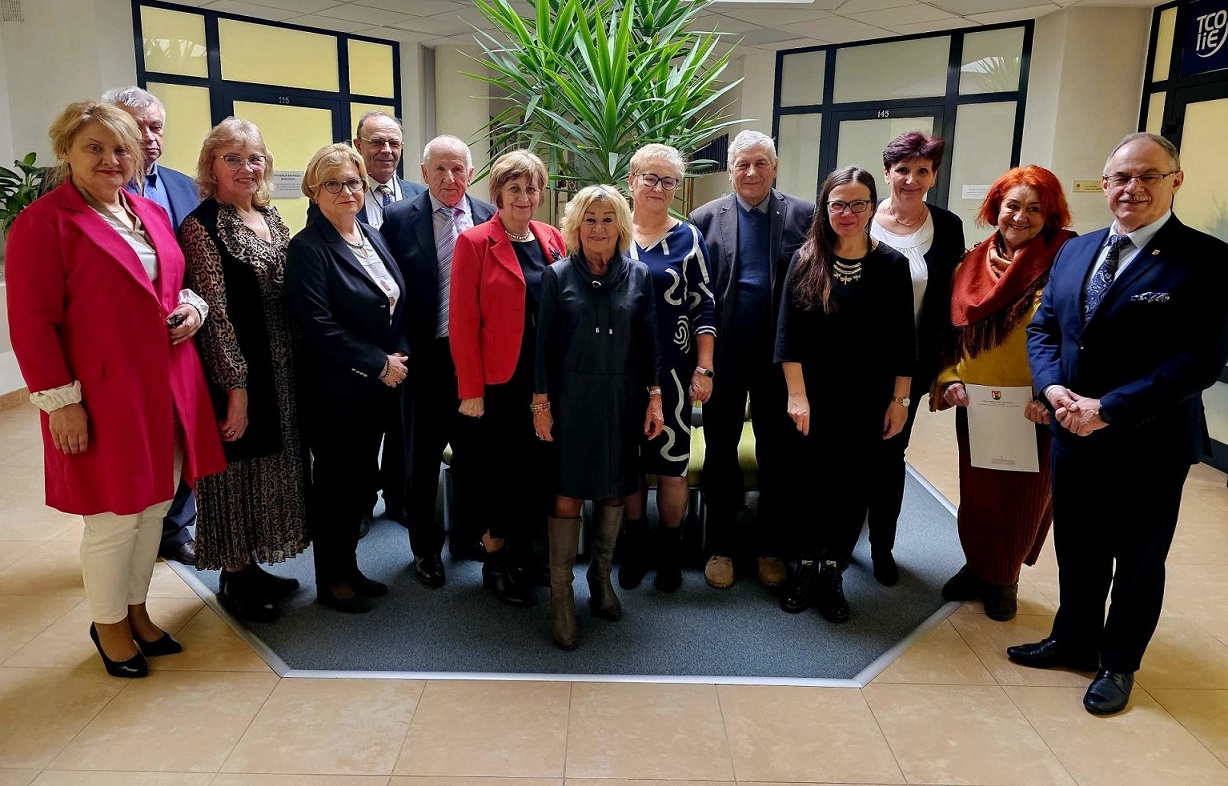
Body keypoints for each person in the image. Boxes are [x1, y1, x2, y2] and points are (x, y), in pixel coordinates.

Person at [1009, 132, 1228, 715]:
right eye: (1121, 177)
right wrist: (1052, 388)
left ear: (1176, 181)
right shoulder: (1076, 250)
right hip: (1071, 432)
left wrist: (1106, 409)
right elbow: (1045, 330)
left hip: (1148, 440)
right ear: (1105, 185)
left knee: (1137, 559)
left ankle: (1119, 662)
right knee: (1078, 546)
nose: (1133, 187)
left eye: (1148, 175)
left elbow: (1198, 361)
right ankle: (1074, 639)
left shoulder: (1206, 259)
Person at [5, 100, 226, 676]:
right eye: (95, 148)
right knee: (113, 518)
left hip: (168, 384)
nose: (111, 159)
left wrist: (193, 308)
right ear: (66, 151)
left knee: (153, 508)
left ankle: (136, 611)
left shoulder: (146, 211)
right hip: (103, 393)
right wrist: (61, 403)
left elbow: (172, 282)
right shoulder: (45, 222)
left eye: (121, 148)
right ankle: (107, 626)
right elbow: (32, 324)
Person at [180, 118, 309, 623]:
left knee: (271, 472)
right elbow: (214, 315)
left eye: (254, 158)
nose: (246, 167)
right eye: (232, 158)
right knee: (236, 472)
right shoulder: (201, 226)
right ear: (211, 166)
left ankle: (253, 566)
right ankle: (235, 575)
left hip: (283, 367)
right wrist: (236, 388)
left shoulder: (271, 215)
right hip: (237, 370)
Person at [933, 166, 1074, 621]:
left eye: (1034, 208)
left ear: (1050, 214)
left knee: (1021, 501)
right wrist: (950, 378)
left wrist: (1051, 395)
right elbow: (950, 333)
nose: (1020, 216)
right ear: (996, 208)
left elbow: (1074, 337)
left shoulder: (1064, 261)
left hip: (1033, 409)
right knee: (978, 496)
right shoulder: (970, 263)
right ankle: (978, 567)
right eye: (1012, 205)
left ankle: (1004, 578)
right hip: (976, 405)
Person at [775, 166, 915, 623]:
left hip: (867, 398)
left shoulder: (892, 265)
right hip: (811, 398)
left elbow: (903, 341)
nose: (848, 213)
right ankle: (806, 565)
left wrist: (900, 400)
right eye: (838, 204)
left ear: (872, 207)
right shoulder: (805, 259)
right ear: (825, 208)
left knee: (852, 486)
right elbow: (787, 335)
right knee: (807, 483)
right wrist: (797, 395)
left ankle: (834, 568)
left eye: (858, 204)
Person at [533, 185, 663, 649]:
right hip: (571, 402)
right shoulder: (555, 277)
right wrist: (541, 405)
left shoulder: (640, 276)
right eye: (590, 219)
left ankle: (600, 578)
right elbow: (542, 348)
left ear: (621, 226)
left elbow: (650, 344)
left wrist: (654, 398)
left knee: (613, 490)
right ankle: (561, 595)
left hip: (622, 400)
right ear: (575, 225)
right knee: (567, 494)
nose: (599, 228)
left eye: (608, 219)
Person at [688, 130, 815, 590]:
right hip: (724, 356)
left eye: (761, 162)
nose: (752, 171)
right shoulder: (704, 218)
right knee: (720, 449)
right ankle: (721, 546)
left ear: (775, 167)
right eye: (742, 164)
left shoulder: (805, 215)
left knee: (777, 453)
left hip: (780, 360)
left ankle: (769, 547)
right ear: (730, 171)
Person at [285, 144, 409, 614]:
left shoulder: (370, 234)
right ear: (313, 191)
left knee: (359, 483)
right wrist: (379, 362)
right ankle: (331, 580)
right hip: (336, 391)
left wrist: (399, 357)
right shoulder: (308, 248)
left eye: (353, 182)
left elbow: (394, 302)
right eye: (333, 183)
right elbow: (318, 325)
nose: (346, 191)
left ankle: (350, 568)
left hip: (376, 387)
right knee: (336, 488)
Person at [449, 150, 566, 606]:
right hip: (498, 382)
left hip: (543, 380)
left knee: (535, 470)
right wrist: (470, 390)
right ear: (497, 193)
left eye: (531, 188)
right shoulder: (475, 242)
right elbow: (462, 323)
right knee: (496, 473)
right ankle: (495, 563)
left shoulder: (552, 238)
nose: (524, 196)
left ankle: (526, 553)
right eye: (514, 188)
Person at [381, 135, 496, 588]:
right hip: (424, 360)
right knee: (422, 462)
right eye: (441, 170)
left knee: (474, 457)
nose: (450, 178)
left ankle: (465, 534)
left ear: (471, 173)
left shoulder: (488, 216)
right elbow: (388, 289)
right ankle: (425, 548)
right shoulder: (397, 218)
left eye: (458, 169)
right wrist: (397, 349)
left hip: (474, 362)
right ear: (424, 173)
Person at [105, 85, 204, 567]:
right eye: (137, 126)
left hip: (183, 338)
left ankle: (174, 527)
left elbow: (195, 265)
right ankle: (125, 532)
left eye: (156, 127)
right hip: (119, 350)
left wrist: (196, 308)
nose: (149, 136)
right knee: (133, 447)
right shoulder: (92, 192)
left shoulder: (184, 187)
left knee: (183, 435)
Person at [867, 131, 966, 586]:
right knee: (849, 453)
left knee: (891, 454)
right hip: (851, 365)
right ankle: (836, 543)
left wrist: (947, 366)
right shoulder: (860, 215)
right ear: (886, 172)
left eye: (922, 170)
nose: (911, 179)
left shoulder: (947, 226)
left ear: (934, 175)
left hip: (911, 364)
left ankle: (882, 547)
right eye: (902, 169)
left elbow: (950, 300)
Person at [621, 143, 717, 593]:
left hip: (675, 374)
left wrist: (705, 368)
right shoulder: (611, 230)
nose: (659, 187)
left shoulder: (688, 238)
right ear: (632, 181)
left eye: (669, 180)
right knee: (630, 465)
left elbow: (704, 305)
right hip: (619, 374)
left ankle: (670, 551)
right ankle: (635, 544)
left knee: (672, 466)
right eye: (650, 177)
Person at [350, 111, 426, 533]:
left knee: (403, 425)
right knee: (366, 426)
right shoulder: (342, 194)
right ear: (358, 145)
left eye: (394, 142)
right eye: (376, 142)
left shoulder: (418, 194)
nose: (386, 150)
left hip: (409, 334)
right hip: (364, 336)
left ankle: (398, 498)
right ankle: (362, 501)